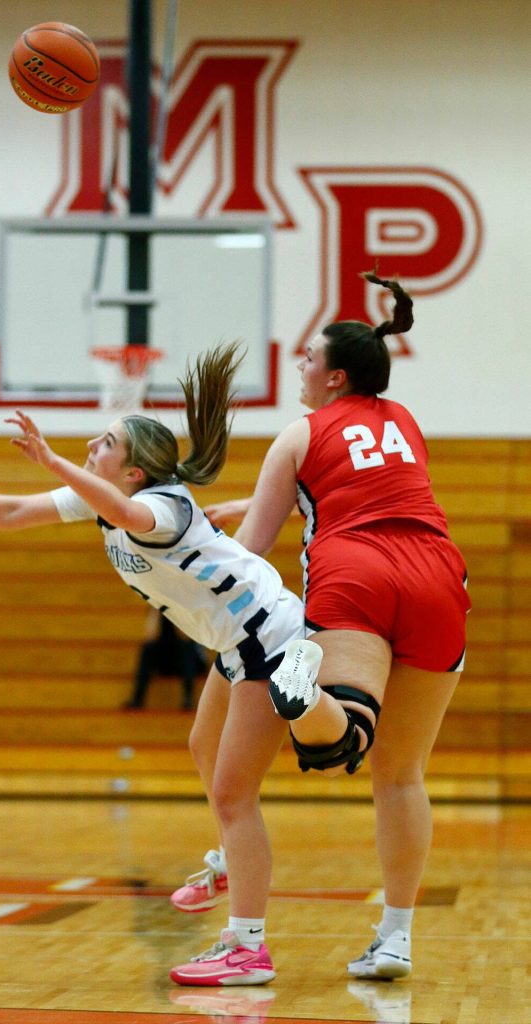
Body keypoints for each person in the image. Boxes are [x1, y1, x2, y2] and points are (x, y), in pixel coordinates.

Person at [0, 341, 357, 987]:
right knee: (202, 749)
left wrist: (51, 459)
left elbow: (127, 512)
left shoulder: (162, 509)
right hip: (238, 640)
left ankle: (247, 948)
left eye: (104, 443)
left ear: (131, 471)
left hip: (269, 639)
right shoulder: (108, 500)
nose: (92, 448)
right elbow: (16, 512)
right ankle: (229, 861)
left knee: (234, 796)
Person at [193, 272, 471, 980]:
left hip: (356, 572)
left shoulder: (297, 432)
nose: (298, 364)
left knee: (343, 734)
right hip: (439, 573)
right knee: (400, 774)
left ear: (334, 375)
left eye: (306, 357)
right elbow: (361, 490)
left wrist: (179, 554)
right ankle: (396, 936)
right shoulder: (402, 421)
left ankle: (307, 696)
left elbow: (251, 548)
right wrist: (263, 498)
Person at [123, 607, 206, 711]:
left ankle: (188, 698)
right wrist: (156, 606)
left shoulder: (183, 603)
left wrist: (175, 609)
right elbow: (150, 636)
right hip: (167, 661)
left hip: (191, 660)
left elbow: (186, 636)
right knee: (148, 648)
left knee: (186, 648)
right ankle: (137, 699)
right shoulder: (157, 606)